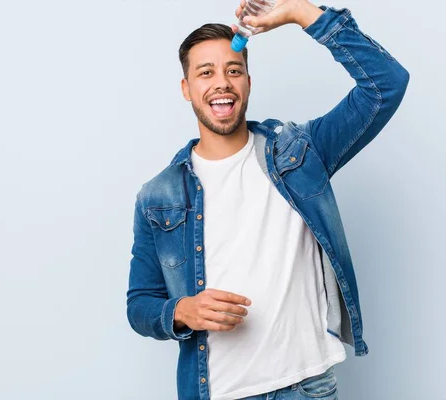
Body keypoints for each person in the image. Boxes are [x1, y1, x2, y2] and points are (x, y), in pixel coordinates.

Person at [126, 0, 409, 399]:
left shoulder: (300, 154)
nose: (221, 82)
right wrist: (181, 312)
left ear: (248, 82)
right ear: (187, 89)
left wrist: (298, 11)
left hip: (308, 386)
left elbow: (386, 84)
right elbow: (140, 304)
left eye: (233, 70)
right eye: (205, 73)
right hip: (218, 390)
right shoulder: (158, 196)